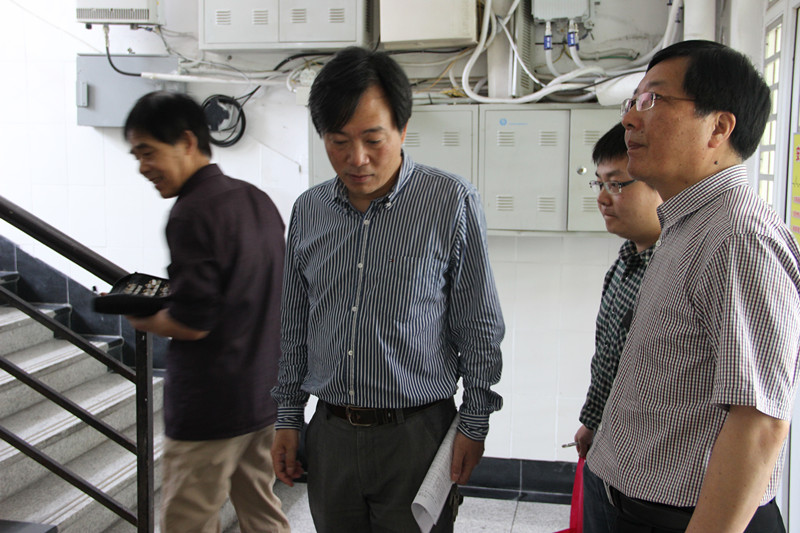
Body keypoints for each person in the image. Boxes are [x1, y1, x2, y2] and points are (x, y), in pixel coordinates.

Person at [270, 46, 504, 533]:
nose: (356, 159)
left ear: (402, 128)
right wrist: (288, 415)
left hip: (416, 435)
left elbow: (478, 323)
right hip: (331, 434)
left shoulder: (449, 201)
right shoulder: (309, 210)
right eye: (338, 141)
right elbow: (294, 323)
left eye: (373, 139)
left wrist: (475, 421)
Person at [587, 40, 800, 533]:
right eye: (632, 102)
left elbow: (759, 422)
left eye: (652, 101)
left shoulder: (738, 237)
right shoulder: (687, 226)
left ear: (719, 128)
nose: (630, 119)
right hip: (634, 503)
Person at [123, 91, 290, 533]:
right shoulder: (256, 199)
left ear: (186, 141)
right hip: (260, 394)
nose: (142, 167)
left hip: (209, 408)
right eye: (137, 155)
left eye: (148, 152)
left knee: (188, 522)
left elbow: (193, 323)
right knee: (262, 513)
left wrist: (141, 318)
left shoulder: (191, 213)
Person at [571, 122, 662, 533]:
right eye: (600, 183)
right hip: (610, 462)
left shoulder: (671, 272)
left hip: (651, 484)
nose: (603, 198)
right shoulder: (626, 263)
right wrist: (592, 421)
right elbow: (607, 360)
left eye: (617, 184)